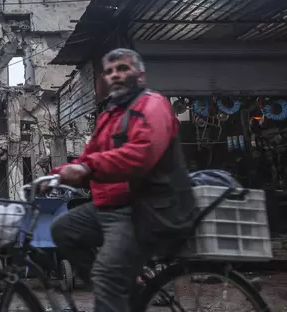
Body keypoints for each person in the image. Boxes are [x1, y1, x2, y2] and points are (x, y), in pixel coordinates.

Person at [48, 48, 197, 312]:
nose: (115, 75)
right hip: (110, 206)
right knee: (63, 230)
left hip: (143, 207)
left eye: (123, 68)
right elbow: (88, 157)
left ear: (140, 73)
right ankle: (121, 289)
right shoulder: (109, 114)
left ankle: (113, 288)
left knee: (107, 276)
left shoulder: (153, 105)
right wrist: (58, 174)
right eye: (110, 71)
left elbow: (141, 155)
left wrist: (86, 169)